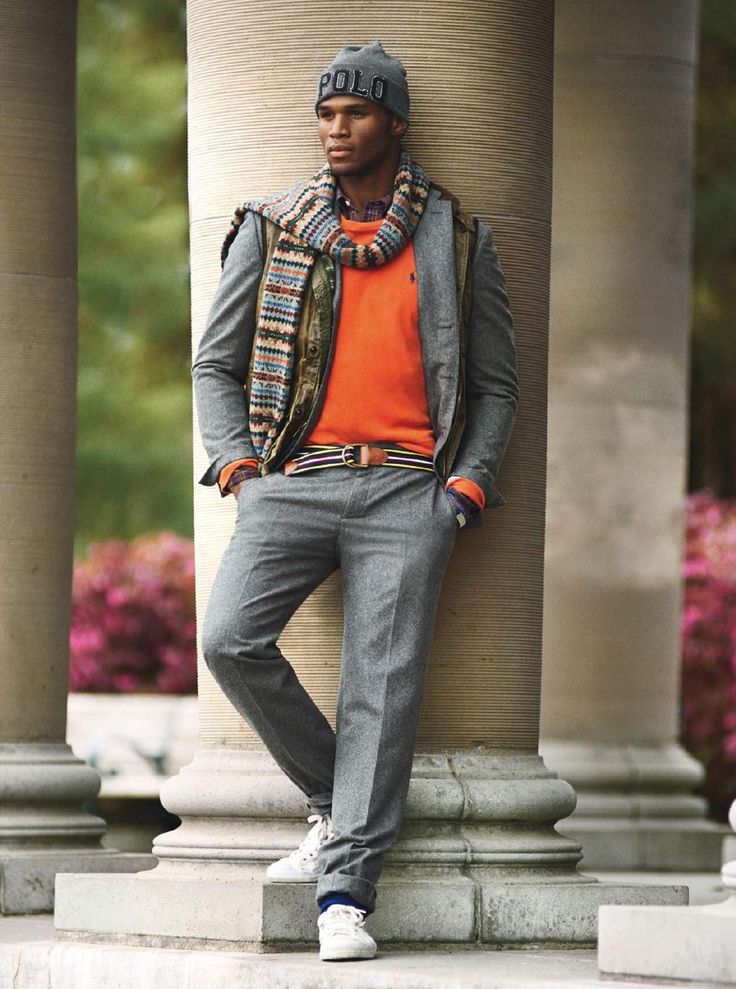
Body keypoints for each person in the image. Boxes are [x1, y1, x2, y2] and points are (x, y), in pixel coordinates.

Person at [192, 40, 519, 962]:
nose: (336, 130)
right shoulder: (274, 226)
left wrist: (465, 485)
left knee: (381, 686)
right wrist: (239, 467)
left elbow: (496, 385)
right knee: (229, 638)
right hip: (294, 482)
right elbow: (216, 362)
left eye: (356, 113)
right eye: (326, 114)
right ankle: (337, 800)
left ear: (396, 123)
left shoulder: (455, 237)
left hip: (409, 490)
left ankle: (345, 893)